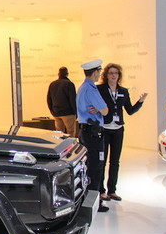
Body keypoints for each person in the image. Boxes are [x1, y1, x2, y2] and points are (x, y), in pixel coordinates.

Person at [96, 63, 147, 202]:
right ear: (106, 75)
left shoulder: (123, 91)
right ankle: (101, 191)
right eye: (111, 73)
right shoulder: (100, 89)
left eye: (116, 73)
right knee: (102, 161)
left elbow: (130, 110)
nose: (113, 75)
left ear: (119, 76)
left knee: (115, 161)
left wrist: (140, 102)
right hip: (104, 129)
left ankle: (112, 190)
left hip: (118, 130)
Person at [76, 59, 109, 212]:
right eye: (99, 72)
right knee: (95, 168)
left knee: (89, 166)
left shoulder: (82, 88)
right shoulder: (91, 89)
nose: (100, 74)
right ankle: (94, 203)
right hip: (93, 133)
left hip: (86, 131)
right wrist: (101, 109)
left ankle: (87, 200)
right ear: (95, 72)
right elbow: (105, 111)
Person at [46, 66, 78, 136]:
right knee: (71, 134)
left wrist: (52, 111)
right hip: (68, 113)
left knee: (59, 134)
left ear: (58, 74)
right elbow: (73, 100)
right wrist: (75, 113)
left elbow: (49, 99)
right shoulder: (69, 84)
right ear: (67, 74)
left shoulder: (52, 84)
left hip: (56, 113)